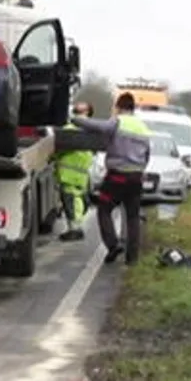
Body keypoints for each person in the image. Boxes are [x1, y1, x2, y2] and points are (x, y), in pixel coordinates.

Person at [67, 92, 152, 265]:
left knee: (104, 209)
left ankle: (113, 245)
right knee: (133, 216)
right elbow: (147, 155)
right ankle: (132, 258)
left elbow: (97, 126)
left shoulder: (118, 121)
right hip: (136, 177)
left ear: (119, 107)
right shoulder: (143, 127)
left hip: (117, 177)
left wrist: (74, 119)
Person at [54, 101, 96, 242]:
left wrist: (50, 158)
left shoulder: (69, 129)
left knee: (71, 201)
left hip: (69, 173)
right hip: (81, 173)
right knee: (77, 200)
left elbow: (58, 150)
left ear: (88, 112)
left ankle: (75, 229)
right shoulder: (91, 130)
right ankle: (75, 228)